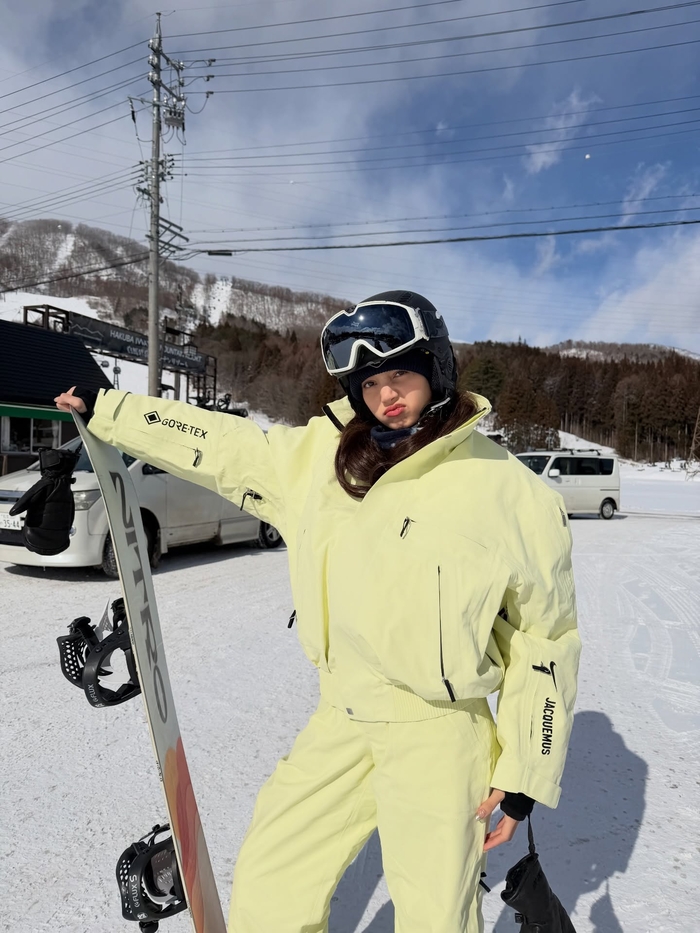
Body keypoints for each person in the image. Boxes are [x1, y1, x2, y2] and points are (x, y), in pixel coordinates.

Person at [56, 289, 580, 933]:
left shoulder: (510, 492)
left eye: (400, 374)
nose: (386, 395)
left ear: (437, 368)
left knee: (435, 915)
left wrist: (526, 769)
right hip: (342, 714)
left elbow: (545, 639)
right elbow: (221, 445)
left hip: (439, 732)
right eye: (369, 383)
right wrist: (111, 410)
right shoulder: (323, 462)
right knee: (272, 879)